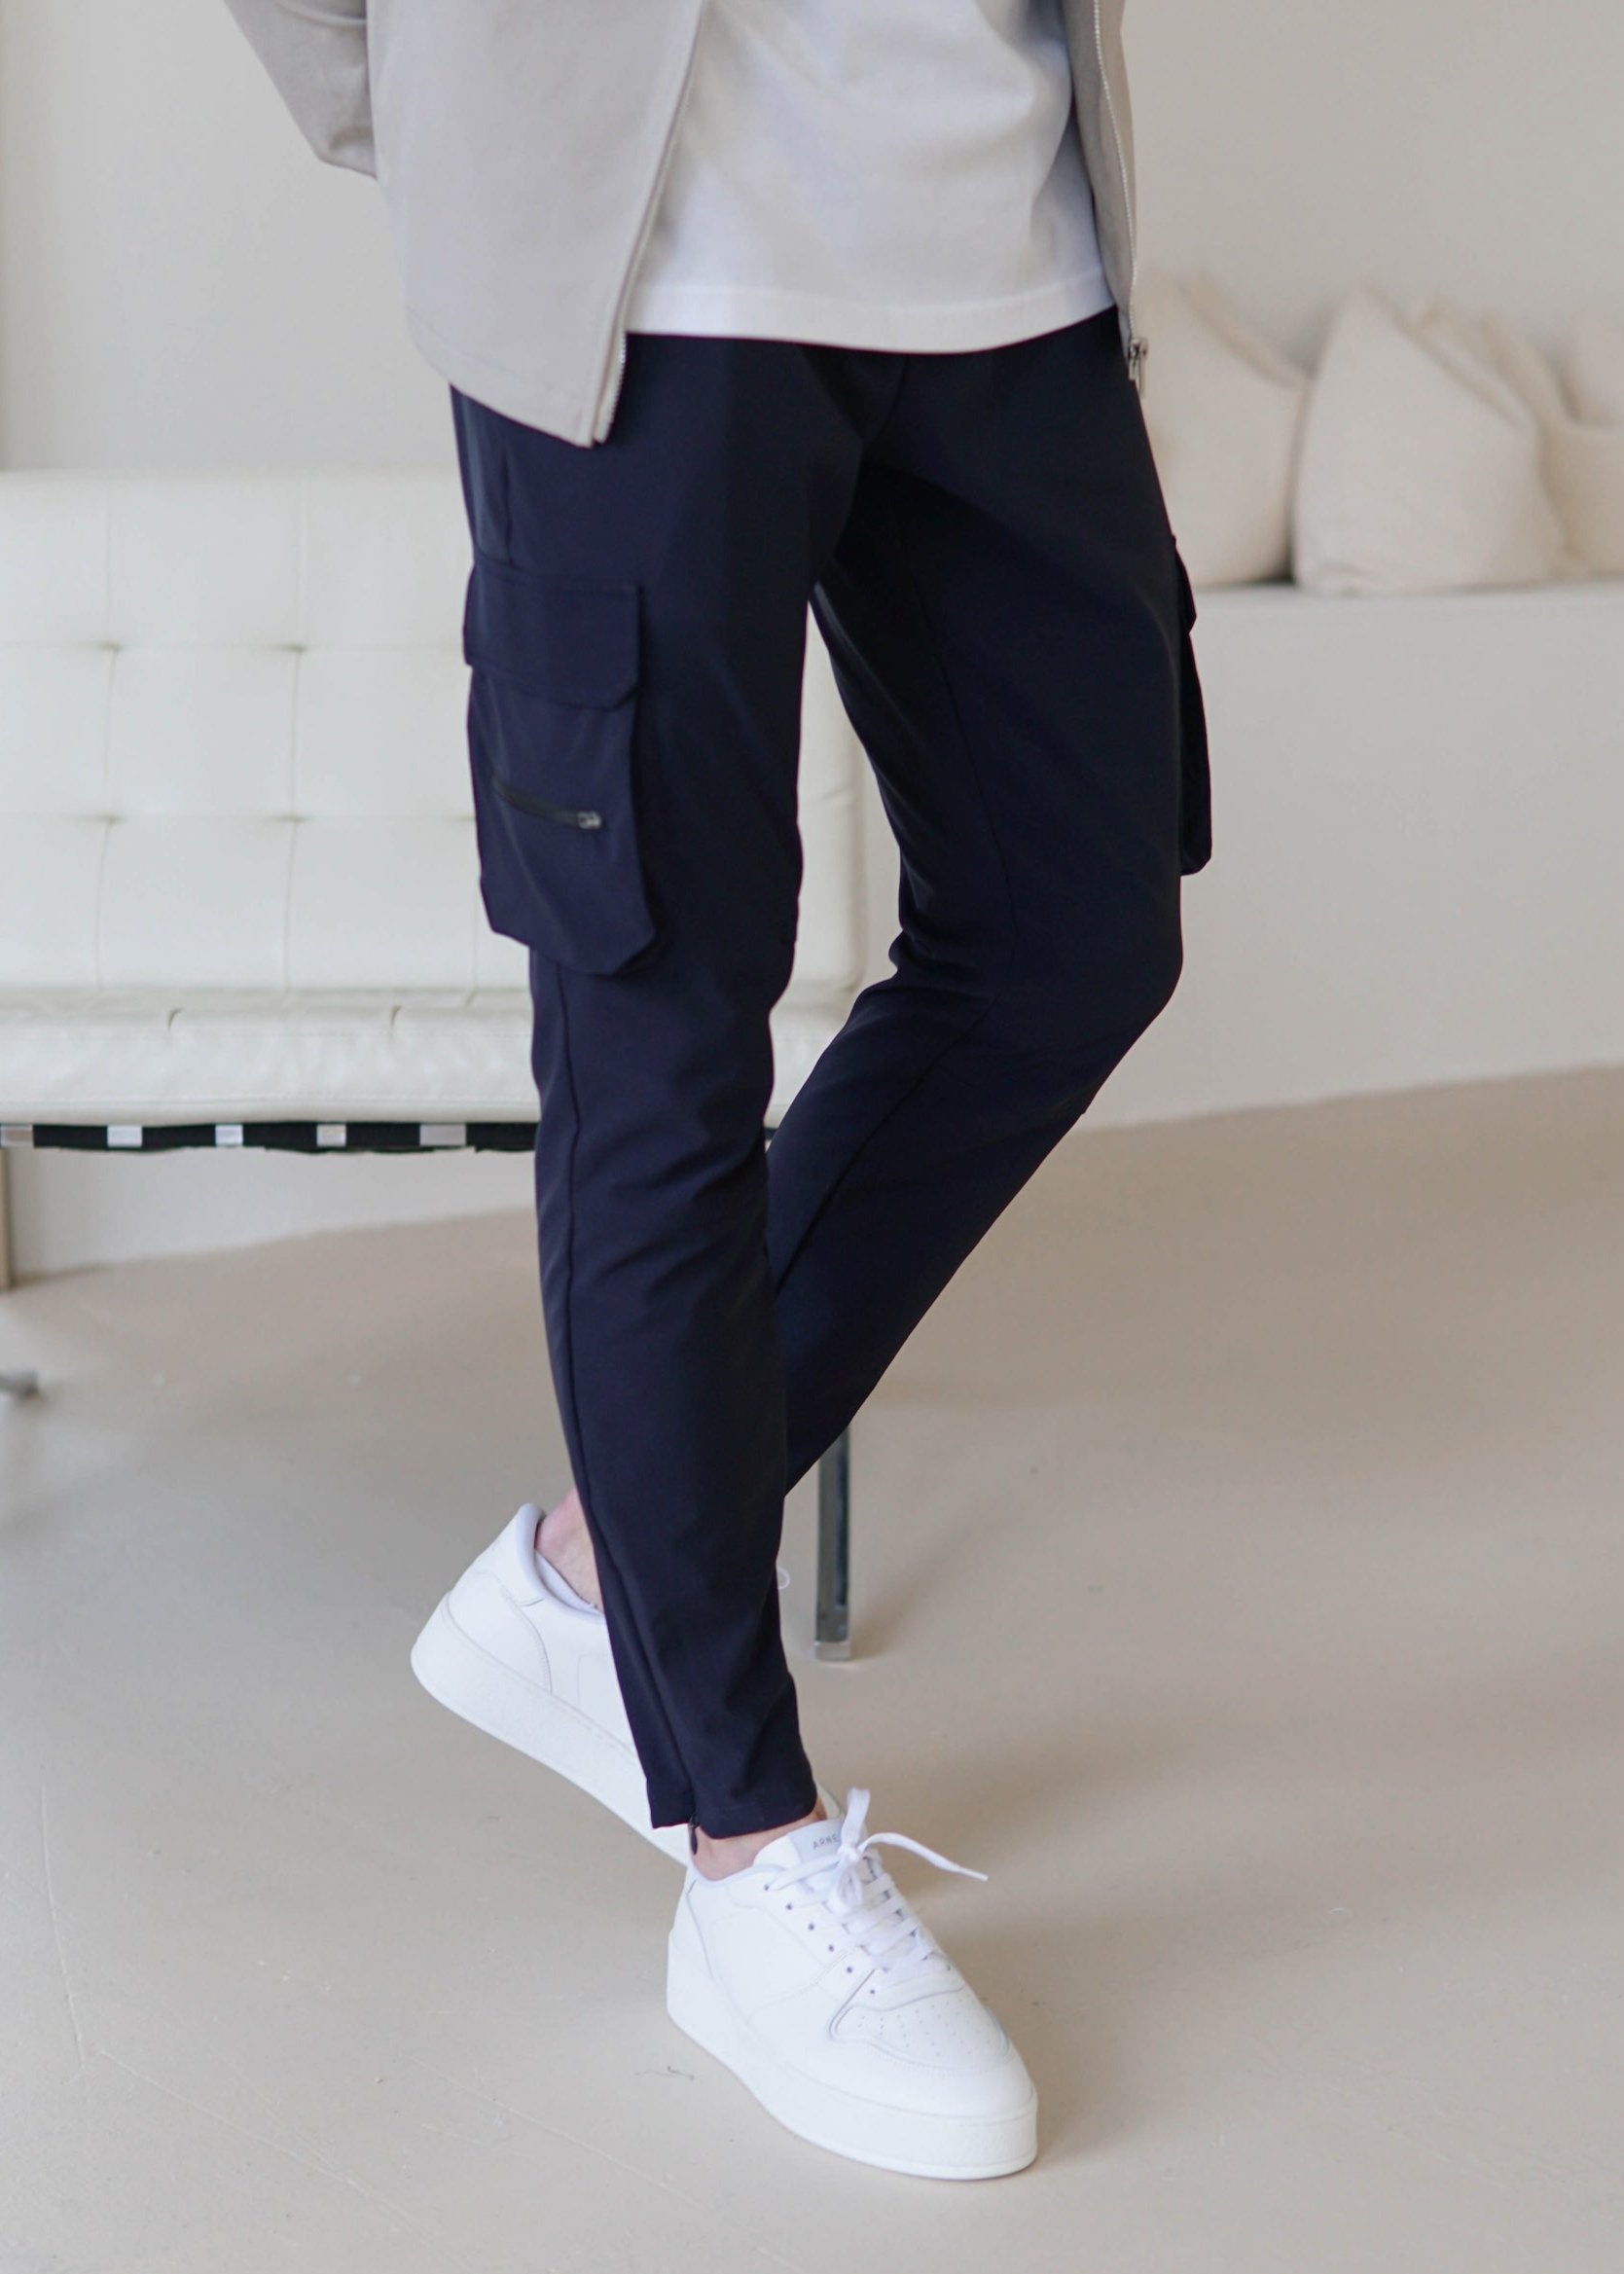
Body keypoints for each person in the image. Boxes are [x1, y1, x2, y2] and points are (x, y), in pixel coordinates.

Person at [227, 0, 1210, 2180]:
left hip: (1006, 237)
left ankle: (599, 1573)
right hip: (642, 273)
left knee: (1074, 935)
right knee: (658, 1027)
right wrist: (457, 123)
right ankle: (746, 1845)